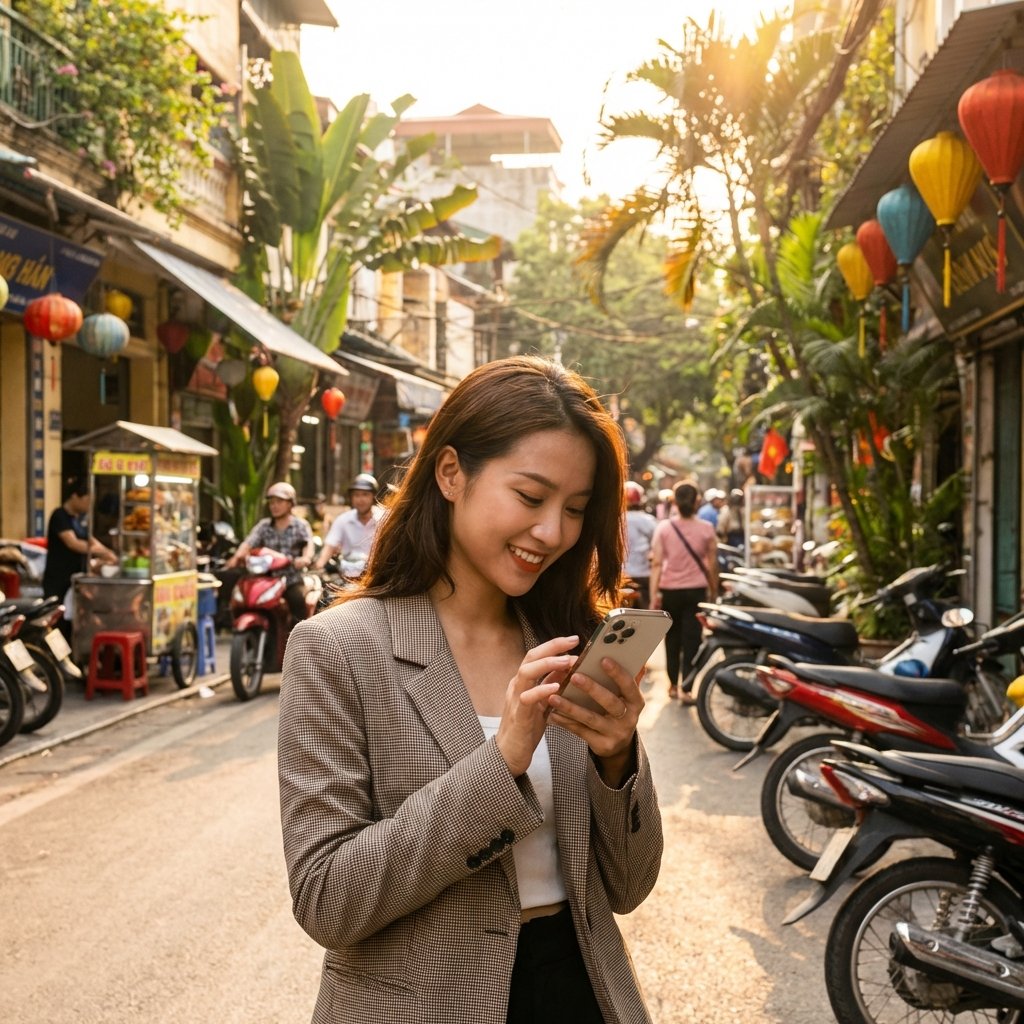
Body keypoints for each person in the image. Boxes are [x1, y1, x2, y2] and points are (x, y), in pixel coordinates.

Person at [279, 356, 663, 1024]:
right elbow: (327, 900)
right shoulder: (337, 649)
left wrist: (617, 759)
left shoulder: (570, 644)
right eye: (531, 497)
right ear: (451, 473)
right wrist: (500, 762)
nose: (553, 532)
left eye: (575, 509)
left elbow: (628, 887)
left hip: (580, 994)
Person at [649, 482, 719, 704]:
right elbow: (712, 565)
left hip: (670, 591)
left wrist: (654, 594)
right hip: (696, 591)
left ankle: (672, 685)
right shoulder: (707, 528)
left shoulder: (664, 528)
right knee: (692, 640)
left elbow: (657, 564)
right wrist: (714, 591)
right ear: (697, 501)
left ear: (675, 502)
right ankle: (687, 689)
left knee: (672, 638)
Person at [225, 481, 315, 620]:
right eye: (272, 502)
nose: (274, 506)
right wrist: (236, 557)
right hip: (265, 579)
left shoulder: (300, 525)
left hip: (290, 579)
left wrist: (305, 558)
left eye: (279, 502)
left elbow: (308, 546)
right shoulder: (264, 526)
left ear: (290, 504)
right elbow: (248, 543)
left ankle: (299, 632)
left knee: (297, 600)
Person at [42, 475, 117, 641]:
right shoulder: (59, 516)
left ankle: (73, 654)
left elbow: (91, 541)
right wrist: (102, 553)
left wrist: (110, 554)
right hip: (58, 582)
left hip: (75, 582)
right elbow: (73, 543)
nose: (90, 504)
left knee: (74, 626)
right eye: (87, 500)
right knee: (58, 625)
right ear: (75, 496)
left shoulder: (80, 520)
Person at [313, 473, 384, 577]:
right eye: (356, 495)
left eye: (365, 494)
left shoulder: (384, 518)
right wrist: (319, 565)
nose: (360, 499)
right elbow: (330, 546)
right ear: (351, 498)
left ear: (373, 496)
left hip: (377, 576)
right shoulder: (343, 520)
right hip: (348, 576)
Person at [623, 480, 656, 608]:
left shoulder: (615, 520)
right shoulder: (649, 520)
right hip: (644, 574)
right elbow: (656, 546)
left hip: (622, 575)